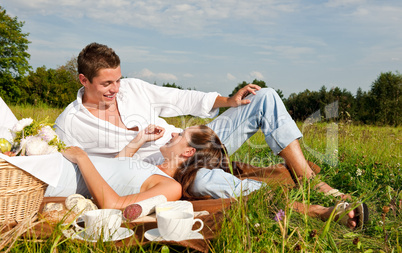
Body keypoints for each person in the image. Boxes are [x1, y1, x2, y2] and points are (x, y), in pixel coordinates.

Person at [55, 42, 341, 197]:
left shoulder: (132, 88)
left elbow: (182, 100)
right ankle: (279, 200)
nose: (116, 89)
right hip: (162, 170)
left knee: (263, 96)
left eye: (117, 80)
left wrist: (229, 101)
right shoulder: (70, 123)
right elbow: (65, 164)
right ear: (84, 80)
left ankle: (309, 181)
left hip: (186, 142)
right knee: (202, 181)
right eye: (107, 84)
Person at [60, 124, 364, 229]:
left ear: (188, 153)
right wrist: (137, 143)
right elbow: (119, 171)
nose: (173, 133)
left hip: (227, 191)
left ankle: (321, 211)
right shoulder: (155, 161)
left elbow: (258, 196)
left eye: (181, 135)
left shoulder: (199, 177)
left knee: (226, 188)